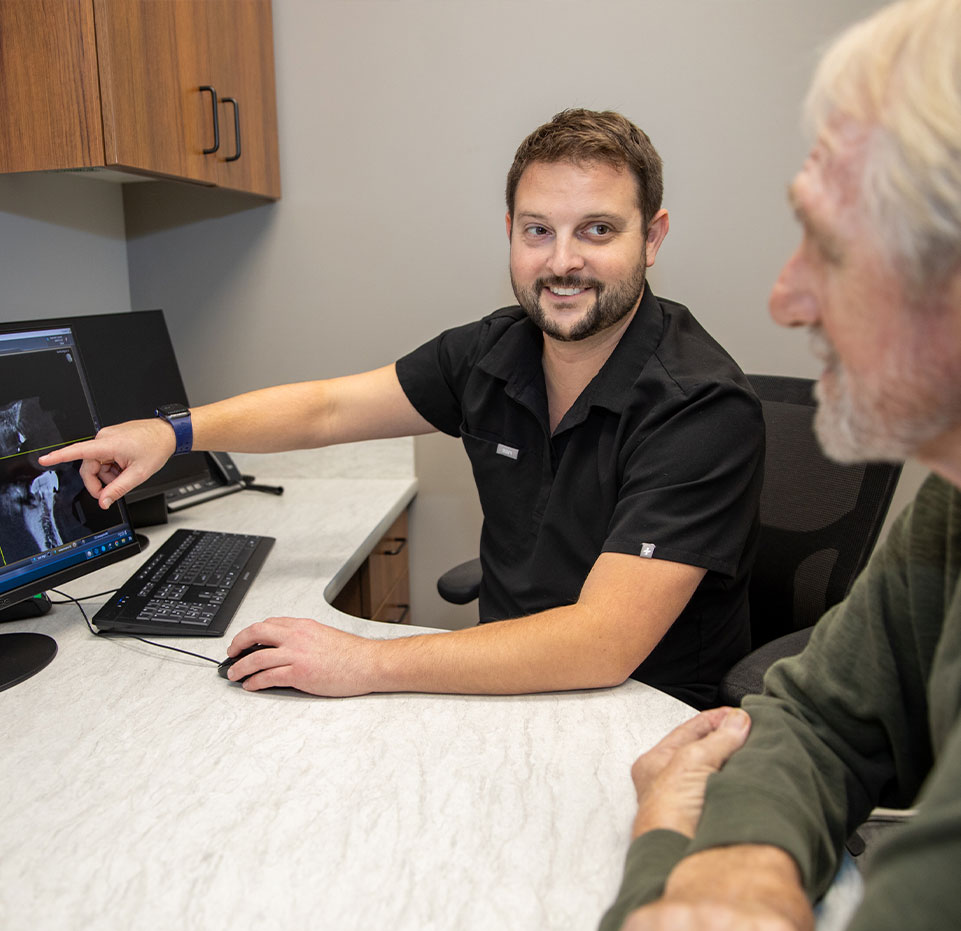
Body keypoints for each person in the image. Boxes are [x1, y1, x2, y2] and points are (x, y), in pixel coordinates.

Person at [42, 109, 763, 707]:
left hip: (647, 711)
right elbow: (328, 408)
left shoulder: (700, 407)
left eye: (597, 230)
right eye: (538, 230)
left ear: (652, 238)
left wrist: (365, 661)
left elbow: (602, 643)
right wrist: (171, 433)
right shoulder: (494, 351)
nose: (562, 262)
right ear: (509, 232)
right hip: (501, 681)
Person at [591, 0, 961, 931]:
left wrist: (667, 844)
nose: (784, 298)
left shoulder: (694, 394)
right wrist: (746, 860)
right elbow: (815, 714)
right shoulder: (952, 507)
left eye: (828, 245)